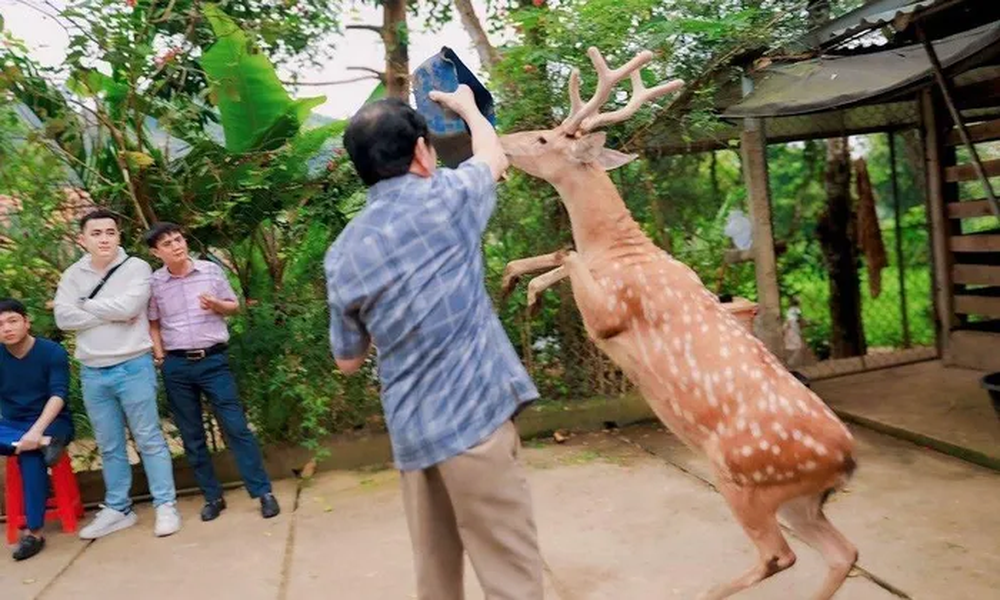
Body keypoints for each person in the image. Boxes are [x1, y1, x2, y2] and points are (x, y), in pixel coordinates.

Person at [324, 87, 544, 600]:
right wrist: (468, 108)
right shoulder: (450, 199)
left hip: (412, 437)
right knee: (511, 574)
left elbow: (348, 360)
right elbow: (492, 154)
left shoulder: (342, 254)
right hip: (477, 426)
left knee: (436, 579)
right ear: (423, 152)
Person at [53, 208, 180, 539]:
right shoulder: (72, 275)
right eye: (96, 233)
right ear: (83, 239)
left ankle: (165, 504)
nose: (104, 238)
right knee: (109, 445)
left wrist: (85, 305)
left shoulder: (136, 267)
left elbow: (129, 309)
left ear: (118, 236)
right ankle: (118, 508)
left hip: (133, 365)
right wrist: (108, 311)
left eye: (110, 232)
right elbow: (63, 319)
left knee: (149, 438)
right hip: (93, 371)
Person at [143, 222, 280, 522]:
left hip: (213, 361)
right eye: (167, 244)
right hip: (177, 365)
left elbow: (234, 306)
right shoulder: (154, 283)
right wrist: (159, 354)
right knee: (192, 435)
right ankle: (212, 496)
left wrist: (217, 304)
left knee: (236, 427)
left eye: (178, 239)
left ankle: (263, 492)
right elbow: (153, 322)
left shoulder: (210, 271)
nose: (176, 246)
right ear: (156, 252)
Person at [0, 299, 75, 561]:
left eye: (12, 321)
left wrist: (36, 432)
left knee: (29, 456)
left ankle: (34, 532)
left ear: (26, 322)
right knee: (28, 446)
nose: (6, 329)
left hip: (52, 422)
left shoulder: (51, 352)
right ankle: (39, 442)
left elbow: (58, 395)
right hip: (12, 425)